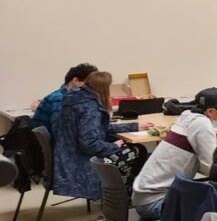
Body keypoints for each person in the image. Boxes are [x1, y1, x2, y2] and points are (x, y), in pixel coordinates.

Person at [132, 88, 217, 220]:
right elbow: (211, 169)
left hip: (145, 198)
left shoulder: (187, 117)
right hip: (156, 203)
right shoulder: (202, 124)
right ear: (211, 111)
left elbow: (197, 163)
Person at [52, 71, 153, 200]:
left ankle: (122, 195)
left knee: (136, 149)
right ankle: (121, 197)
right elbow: (89, 143)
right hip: (82, 160)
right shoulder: (90, 108)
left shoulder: (76, 99)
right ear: (104, 89)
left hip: (68, 157)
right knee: (137, 151)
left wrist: (133, 126)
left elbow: (98, 128)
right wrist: (112, 146)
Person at [31, 62, 97, 136]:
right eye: (88, 84)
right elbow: (63, 132)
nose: (91, 89)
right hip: (62, 145)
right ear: (75, 80)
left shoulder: (69, 98)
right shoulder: (59, 100)